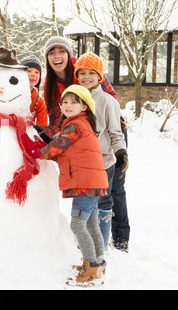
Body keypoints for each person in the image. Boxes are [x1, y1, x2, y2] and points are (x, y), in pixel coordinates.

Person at [38, 36, 131, 252]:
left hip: (110, 141)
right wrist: (45, 134)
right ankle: (92, 249)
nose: (57, 56)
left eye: (61, 51)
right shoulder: (52, 85)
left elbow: (111, 100)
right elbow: (59, 121)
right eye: (52, 53)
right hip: (84, 151)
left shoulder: (85, 66)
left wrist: (119, 148)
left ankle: (118, 239)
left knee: (113, 192)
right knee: (92, 202)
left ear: (70, 55)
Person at [32, 85, 109, 286]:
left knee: (78, 225)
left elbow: (59, 146)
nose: (68, 105)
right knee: (91, 224)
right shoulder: (83, 124)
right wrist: (51, 148)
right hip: (92, 183)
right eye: (65, 102)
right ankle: (97, 264)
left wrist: (38, 152)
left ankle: (91, 268)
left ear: (85, 106)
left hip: (84, 184)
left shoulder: (74, 126)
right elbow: (68, 154)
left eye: (74, 102)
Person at [74, 52, 129, 250]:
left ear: (100, 77)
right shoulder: (73, 99)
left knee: (103, 202)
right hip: (80, 163)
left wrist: (121, 153)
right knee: (82, 203)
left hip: (103, 162)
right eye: (82, 73)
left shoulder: (107, 101)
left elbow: (115, 133)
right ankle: (84, 248)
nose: (86, 77)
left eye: (91, 72)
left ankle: (101, 247)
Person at [19, 55, 48, 127]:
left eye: (37, 72)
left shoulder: (39, 102)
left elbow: (42, 126)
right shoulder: (10, 94)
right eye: (29, 71)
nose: (33, 75)